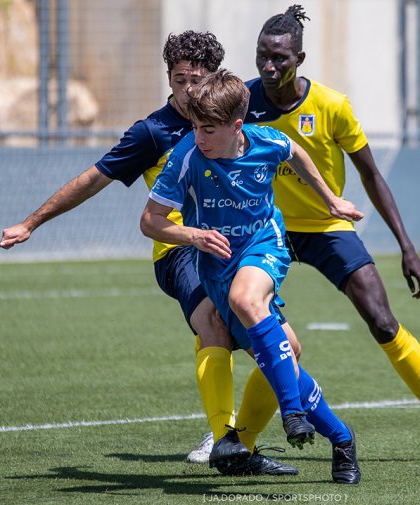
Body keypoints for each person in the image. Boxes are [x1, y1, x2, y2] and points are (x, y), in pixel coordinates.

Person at [0, 31, 297, 477]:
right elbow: (93, 178)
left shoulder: (235, 110)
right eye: (180, 80)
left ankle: (241, 448)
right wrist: (31, 222)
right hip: (178, 251)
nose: (190, 90)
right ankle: (222, 436)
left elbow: (282, 119)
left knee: (285, 350)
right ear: (169, 78)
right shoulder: (152, 132)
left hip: (239, 249)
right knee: (213, 325)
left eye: (198, 79)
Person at [208, 4, 420, 464]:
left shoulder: (331, 105)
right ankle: (230, 437)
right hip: (266, 230)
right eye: (261, 57)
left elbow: (372, 176)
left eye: (280, 59)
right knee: (240, 329)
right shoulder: (243, 104)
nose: (269, 67)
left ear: (301, 59)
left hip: (329, 227)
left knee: (383, 321)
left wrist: (407, 249)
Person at [141, 68, 363, 484]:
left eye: (208, 129)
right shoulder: (187, 156)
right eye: (194, 126)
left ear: (236, 126)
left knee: (247, 300)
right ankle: (342, 437)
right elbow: (150, 222)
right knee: (285, 352)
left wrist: (330, 200)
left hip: (265, 244)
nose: (199, 136)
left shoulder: (264, 141)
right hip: (216, 265)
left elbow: (295, 151)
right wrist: (193, 235)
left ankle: (289, 413)